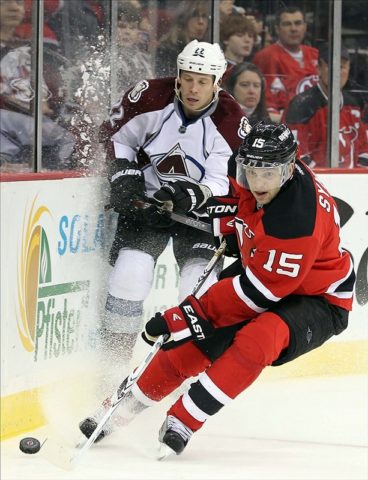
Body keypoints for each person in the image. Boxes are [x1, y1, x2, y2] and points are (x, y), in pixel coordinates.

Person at [79, 121, 355, 456]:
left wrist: (182, 316)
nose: (257, 182)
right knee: (196, 342)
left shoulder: (295, 221)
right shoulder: (259, 179)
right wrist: (196, 206)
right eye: (252, 171)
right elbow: (237, 206)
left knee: (259, 339)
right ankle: (118, 409)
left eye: (268, 173)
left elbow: (256, 296)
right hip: (268, 271)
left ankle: (185, 419)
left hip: (319, 297)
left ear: (289, 167)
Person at [94, 40, 250, 374]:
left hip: (202, 216)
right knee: (130, 275)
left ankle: (183, 370)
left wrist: (196, 195)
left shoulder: (229, 120)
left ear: (217, 82)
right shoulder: (149, 97)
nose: (193, 88)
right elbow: (117, 139)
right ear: (178, 75)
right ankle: (110, 368)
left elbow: (222, 180)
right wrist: (124, 175)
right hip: (149, 205)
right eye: (188, 77)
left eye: (202, 81)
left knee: (197, 289)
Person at [0, 0, 75, 170]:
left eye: (18, 2)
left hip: (32, 119)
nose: (13, 7)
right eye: (4, 2)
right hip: (10, 119)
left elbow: (52, 90)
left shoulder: (26, 47)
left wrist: (50, 102)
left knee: (72, 135)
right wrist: (29, 105)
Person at [284, 44, 368, 168]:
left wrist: (354, 178)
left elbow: (364, 148)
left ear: (349, 69)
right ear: (319, 69)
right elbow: (295, 154)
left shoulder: (355, 104)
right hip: (317, 183)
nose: (337, 72)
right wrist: (325, 179)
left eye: (342, 67)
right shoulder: (302, 105)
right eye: (332, 66)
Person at [253, 5, 318, 123]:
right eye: (287, 24)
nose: (293, 29)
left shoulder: (315, 55)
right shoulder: (267, 56)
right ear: (277, 29)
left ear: (305, 27)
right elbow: (267, 98)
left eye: (298, 23)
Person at [154, 1, 209, 78]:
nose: (201, 22)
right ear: (183, 20)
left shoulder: (207, 50)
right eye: (195, 16)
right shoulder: (167, 50)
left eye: (204, 16)